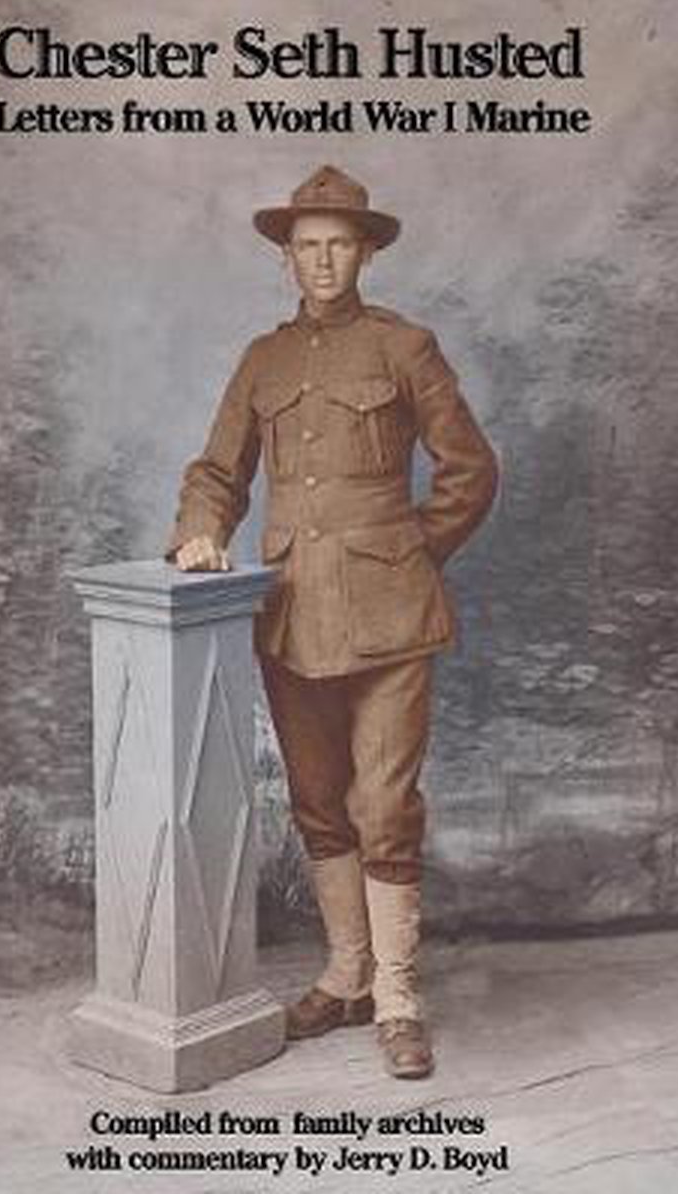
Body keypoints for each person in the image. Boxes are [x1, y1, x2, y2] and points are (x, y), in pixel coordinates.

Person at [168, 165, 498, 1079]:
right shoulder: (262, 360)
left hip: (392, 621)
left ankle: (397, 996)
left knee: (382, 806)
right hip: (291, 615)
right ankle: (347, 976)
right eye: (306, 246)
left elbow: (470, 470)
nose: (322, 261)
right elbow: (216, 472)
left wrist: (411, 552)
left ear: (365, 253)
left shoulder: (405, 347)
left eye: (338, 245)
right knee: (317, 805)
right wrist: (200, 531)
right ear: (286, 257)